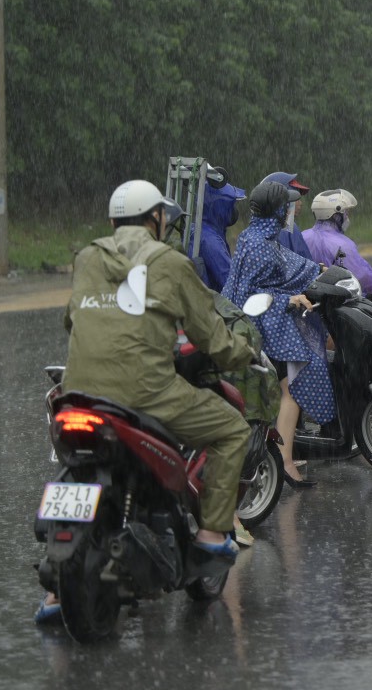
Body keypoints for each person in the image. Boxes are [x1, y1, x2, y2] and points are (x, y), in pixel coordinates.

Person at [38, 180, 258, 623]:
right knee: (232, 429)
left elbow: (72, 320)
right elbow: (211, 337)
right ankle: (213, 535)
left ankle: (56, 594)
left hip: (78, 392)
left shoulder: (87, 258)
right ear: (157, 218)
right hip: (146, 392)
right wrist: (245, 352)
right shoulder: (170, 262)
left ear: (113, 221)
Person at [223, 180, 324, 487]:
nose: (289, 212)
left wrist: (317, 270)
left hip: (254, 325)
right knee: (291, 391)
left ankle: (282, 461)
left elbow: (284, 264)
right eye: (287, 206)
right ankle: (285, 463)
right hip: (263, 328)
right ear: (279, 210)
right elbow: (249, 292)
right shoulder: (259, 245)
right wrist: (288, 299)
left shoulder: (253, 237)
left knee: (283, 391)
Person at [301, 188, 372, 298]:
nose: (347, 216)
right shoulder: (343, 244)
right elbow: (361, 276)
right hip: (338, 304)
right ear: (335, 215)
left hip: (309, 301)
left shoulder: (302, 236)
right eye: (345, 212)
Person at [196, 167, 246, 291]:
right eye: (231, 205)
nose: (234, 211)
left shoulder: (205, 231)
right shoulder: (210, 240)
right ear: (220, 206)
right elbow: (230, 281)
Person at [261, 170, 313, 258]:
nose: (300, 203)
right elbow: (303, 264)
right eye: (297, 197)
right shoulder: (287, 226)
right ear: (286, 198)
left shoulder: (259, 225)